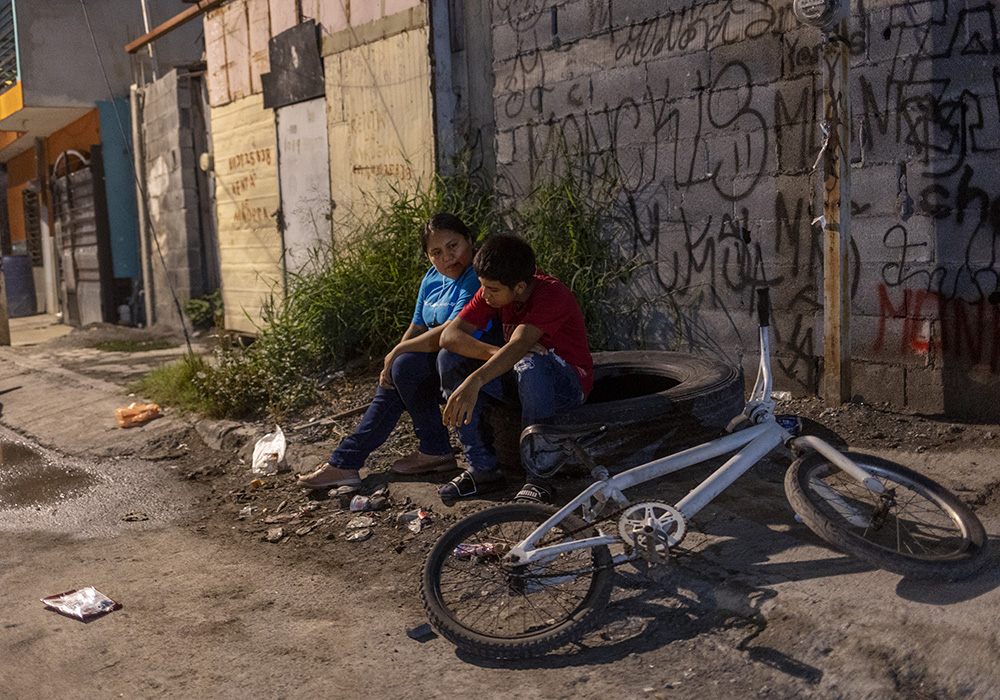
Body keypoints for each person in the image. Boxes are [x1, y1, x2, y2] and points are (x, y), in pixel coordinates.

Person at [297, 213, 481, 489]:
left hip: (465, 360)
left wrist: (397, 353)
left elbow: (449, 333)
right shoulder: (431, 279)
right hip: (435, 361)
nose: (447, 257)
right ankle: (350, 460)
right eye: (436, 252)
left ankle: (351, 460)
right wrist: (393, 358)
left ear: (468, 239)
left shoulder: (474, 276)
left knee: (405, 365)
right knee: (399, 369)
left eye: (453, 246)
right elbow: (417, 327)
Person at [437, 234, 593, 504]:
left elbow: (520, 344)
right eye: (483, 286)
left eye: (492, 289)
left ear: (520, 286)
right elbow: (449, 336)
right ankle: (483, 469)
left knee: (529, 361)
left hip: (567, 386)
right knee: (448, 358)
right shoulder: (494, 290)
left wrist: (475, 381)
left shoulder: (552, 295)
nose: (484, 294)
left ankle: (538, 479)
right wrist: (496, 354)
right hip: (522, 375)